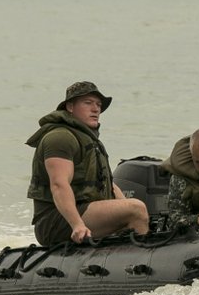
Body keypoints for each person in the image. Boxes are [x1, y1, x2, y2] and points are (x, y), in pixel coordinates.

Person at [26, 81, 149, 245]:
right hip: (55, 222)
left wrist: (124, 206)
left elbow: (109, 185)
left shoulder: (89, 139)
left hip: (85, 211)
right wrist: (77, 225)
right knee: (136, 209)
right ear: (70, 107)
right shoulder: (60, 138)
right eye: (88, 103)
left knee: (136, 209)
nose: (96, 109)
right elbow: (59, 184)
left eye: (98, 104)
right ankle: (138, 262)